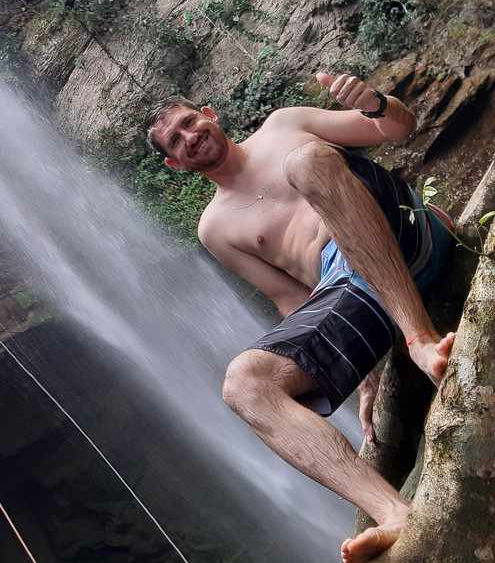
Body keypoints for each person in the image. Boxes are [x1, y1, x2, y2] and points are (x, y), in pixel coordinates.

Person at [143, 72, 455, 563]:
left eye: (188, 122)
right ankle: (393, 513)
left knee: (306, 161)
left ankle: (420, 341)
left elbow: (397, 128)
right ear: (174, 162)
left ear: (208, 114)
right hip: (350, 291)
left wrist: (375, 102)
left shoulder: (283, 125)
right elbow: (292, 298)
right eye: (175, 141)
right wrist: (361, 377)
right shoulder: (215, 228)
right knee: (243, 383)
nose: (189, 137)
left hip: (405, 230)